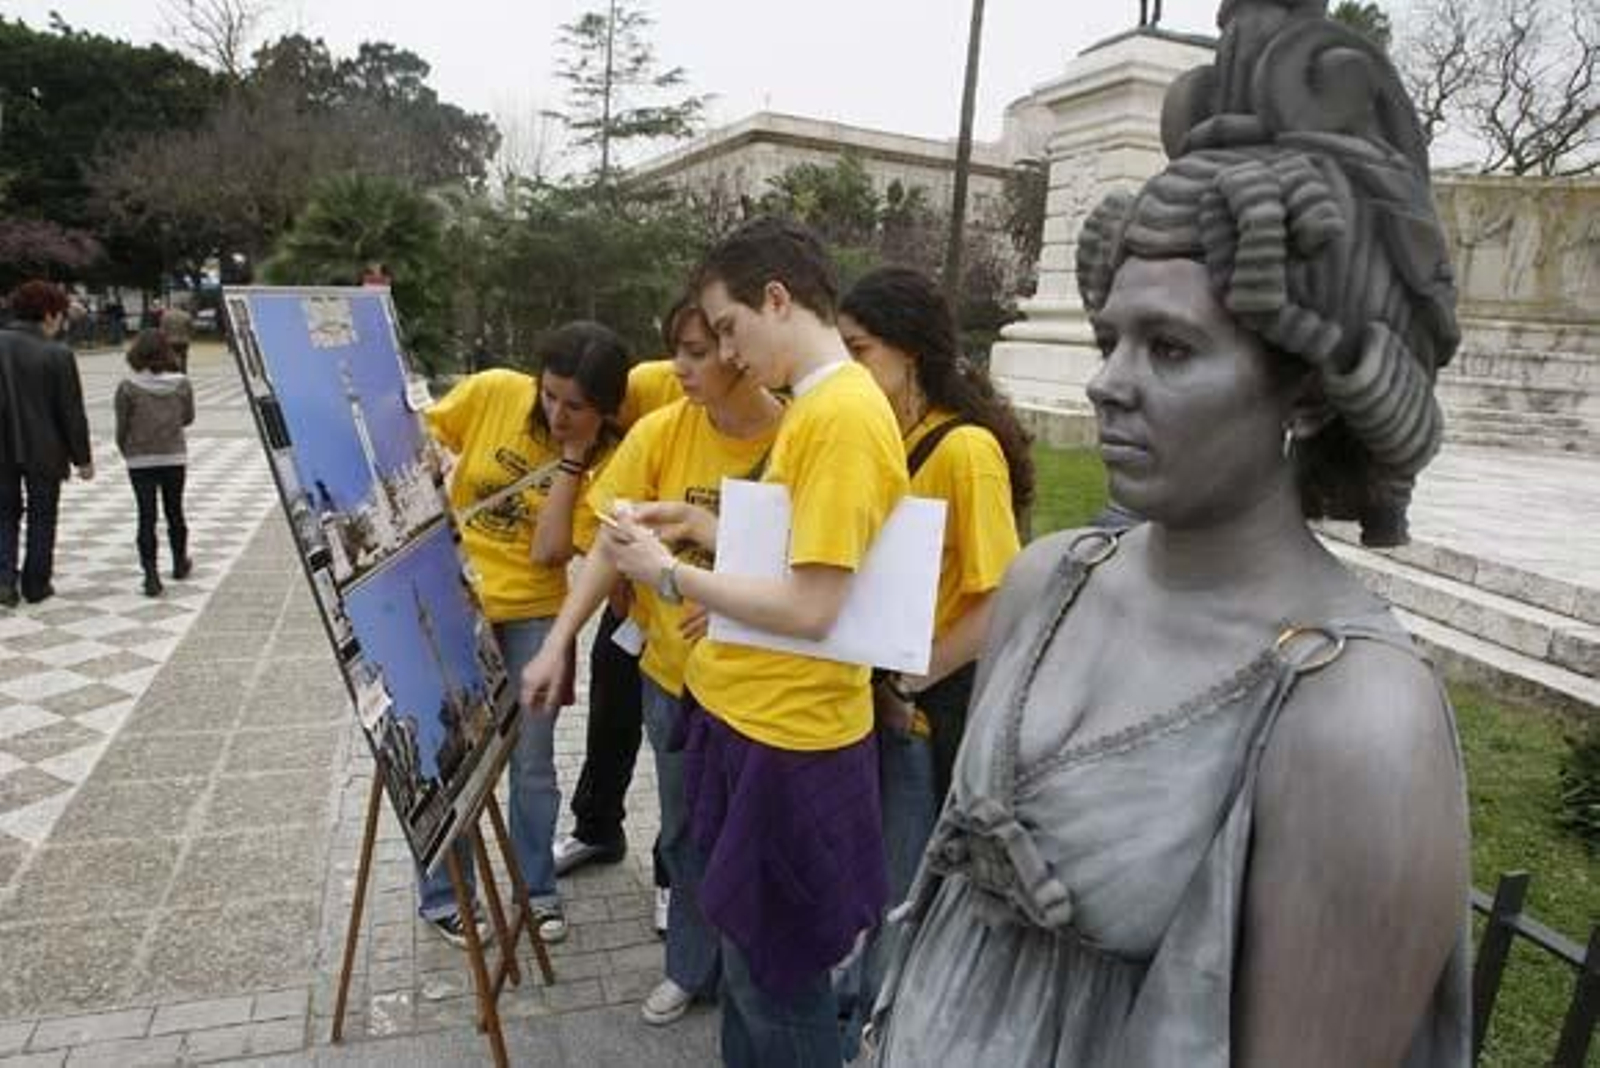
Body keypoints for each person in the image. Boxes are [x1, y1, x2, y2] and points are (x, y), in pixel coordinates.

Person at [864, 4, 1471, 1066]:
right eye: (1110, 336)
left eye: (1171, 349)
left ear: (1312, 400)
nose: (1106, 380)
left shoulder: (1356, 721)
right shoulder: (1047, 583)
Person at [593, 218, 909, 1068]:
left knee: (777, 986)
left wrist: (670, 573)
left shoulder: (839, 415)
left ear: (777, 298)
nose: (728, 354)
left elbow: (813, 606)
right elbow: (801, 544)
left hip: (788, 737)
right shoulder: (820, 409)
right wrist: (700, 521)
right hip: (757, 722)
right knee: (749, 970)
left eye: (729, 329)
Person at [523, 293, 784, 1027]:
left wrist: (730, 585)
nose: (680, 368)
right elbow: (611, 538)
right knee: (684, 832)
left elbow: (818, 567)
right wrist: (557, 641)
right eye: (679, 350)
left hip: (764, 694)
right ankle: (689, 967)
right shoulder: (666, 430)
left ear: (740, 347)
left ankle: (755, 980)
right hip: (672, 679)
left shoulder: (800, 435)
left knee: (753, 842)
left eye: (699, 352)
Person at [833, 266, 1032, 1053]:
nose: (849, 371)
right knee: (875, 871)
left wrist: (905, 684)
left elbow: (1000, 599)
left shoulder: (966, 450)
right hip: (882, 696)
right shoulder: (890, 440)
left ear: (909, 354)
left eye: (861, 351)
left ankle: (884, 1029)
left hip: (928, 709)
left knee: (904, 884)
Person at [416, 321, 631, 948]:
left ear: (605, 409)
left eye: (576, 406)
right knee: (449, 756)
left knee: (532, 764)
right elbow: (426, 431)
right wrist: (433, 462)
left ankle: (535, 889)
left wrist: (572, 460)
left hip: (534, 613)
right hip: (454, 602)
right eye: (550, 396)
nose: (558, 413)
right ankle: (445, 896)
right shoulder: (492, 391)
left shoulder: (610, 459)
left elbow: (549, 549)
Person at [552, 354, 685, 942]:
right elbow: (598, 526)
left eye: (575, 408)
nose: (691, 365)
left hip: (687, 608)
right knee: (610, 717)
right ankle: (597, 827)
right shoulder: (643, 399)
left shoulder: (683, 395)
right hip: (627, 599)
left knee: (675, 752)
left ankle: (671, 875)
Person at [0, 281, 94, 607]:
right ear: (49, 314)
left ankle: (4, 581)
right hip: (46, 448)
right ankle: (36, 583)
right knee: (42, 516)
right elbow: (71, 411)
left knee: (4, 514)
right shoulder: (57, 353)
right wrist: (82, 458)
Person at [115, 329, 195, 596]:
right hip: (173, 455)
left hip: (140, 458)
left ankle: (151, 576)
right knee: (175, 511)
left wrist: (126, 449)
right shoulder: (182, 383)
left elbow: (122, 426)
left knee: (146, 516)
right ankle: (179, 562)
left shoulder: (127, 386)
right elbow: (188, 418)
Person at [161, 300, 194, 374]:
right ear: (180, 307)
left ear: (172, 307)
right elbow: (191, 328)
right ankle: (183, 372)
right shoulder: (186, 315)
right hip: (183, 340)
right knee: (183, 357)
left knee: (170, 356)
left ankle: (172, 371)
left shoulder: (166, 315)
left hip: (170, 340)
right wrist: (189, 335)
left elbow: (163, 329)